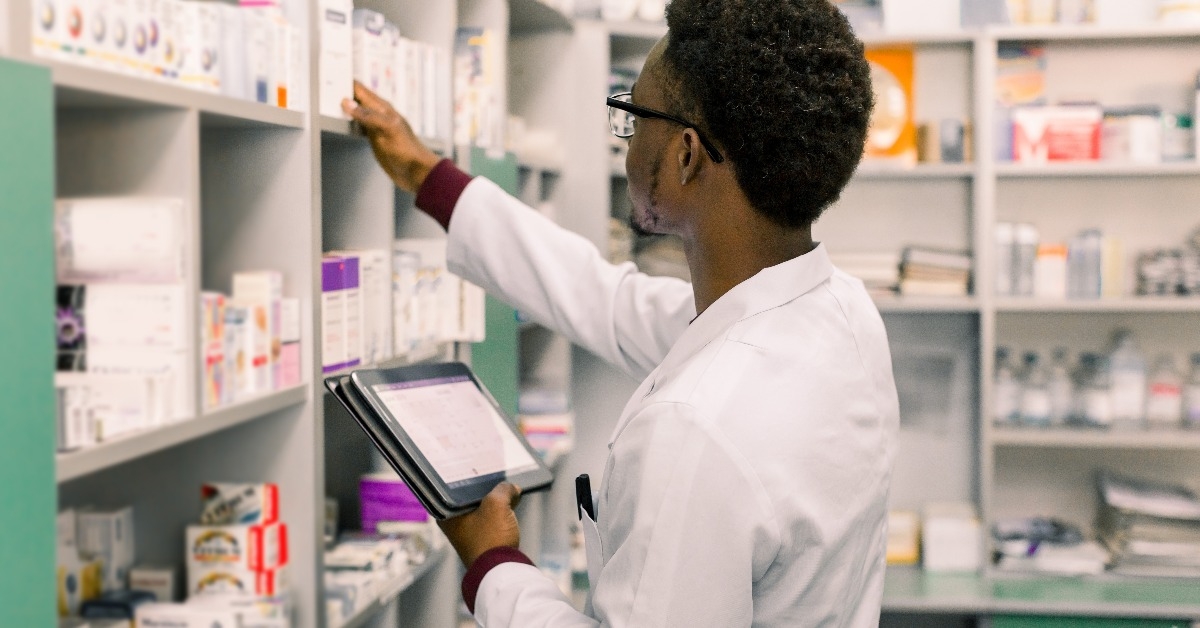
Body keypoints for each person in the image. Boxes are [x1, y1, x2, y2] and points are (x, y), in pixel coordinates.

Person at [344, 0, 897, 624]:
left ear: (686, 154)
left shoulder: (695, 428)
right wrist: (427, 176)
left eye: (633, 119)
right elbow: (602, 297)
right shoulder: (839, 313)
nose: (626, 143)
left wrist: (493, 565)